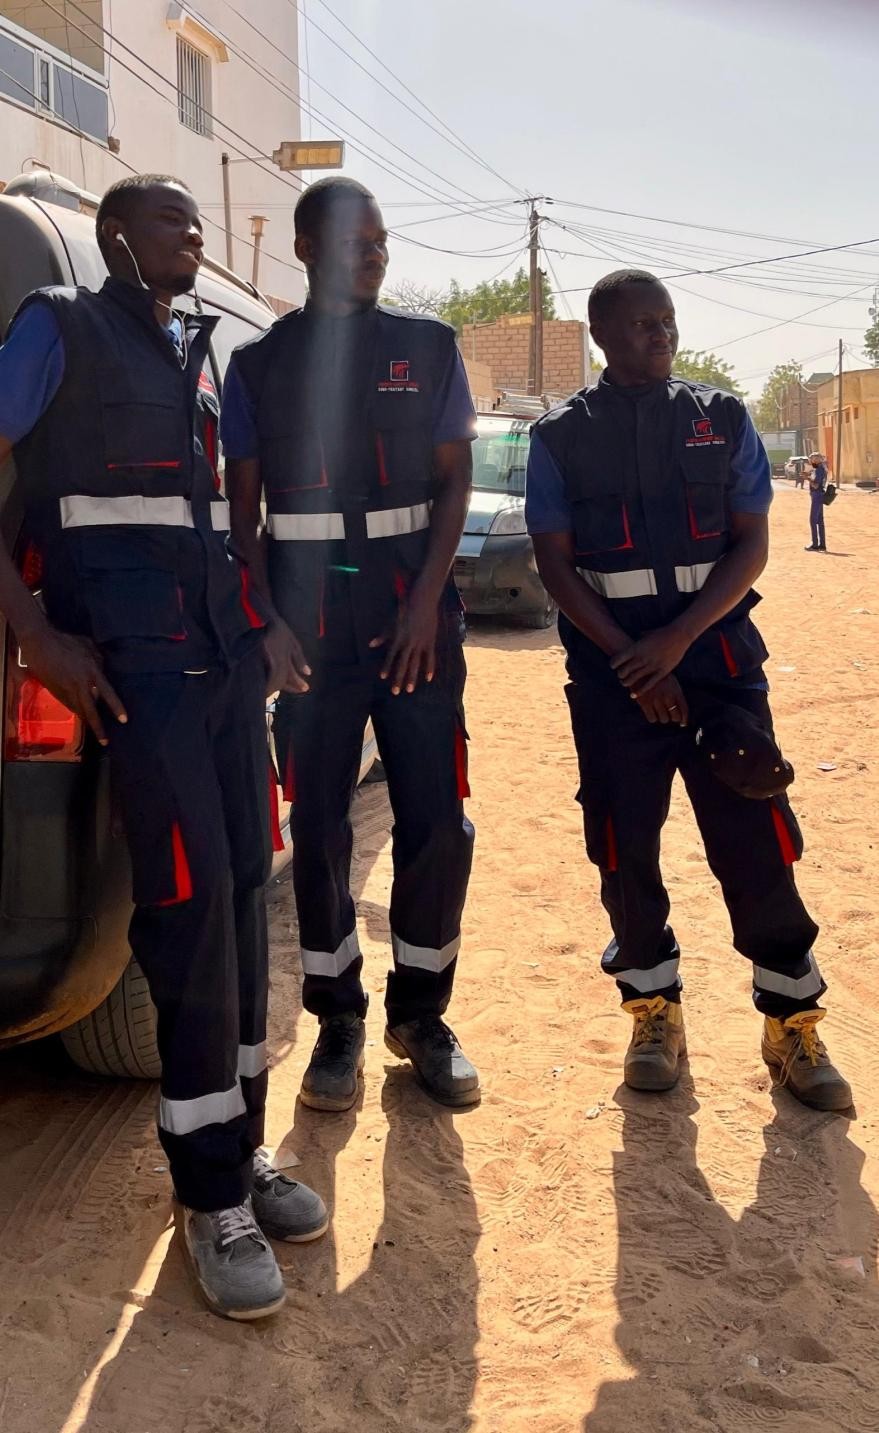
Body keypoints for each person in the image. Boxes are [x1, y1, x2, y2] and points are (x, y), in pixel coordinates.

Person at [0, 175, 328, 1320]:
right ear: (114, 237)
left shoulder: (193, 347)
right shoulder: (59, 326)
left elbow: (215, 519)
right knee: (186, 909)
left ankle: (240, 1147)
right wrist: (35, 632)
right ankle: (208, 1196)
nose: (191, 233)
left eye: (194, 220)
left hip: (224, 665)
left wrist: (265, 621)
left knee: (242, 897)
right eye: (167, 220)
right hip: (138, 673)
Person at [526, 268, 851, 1113]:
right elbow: (555, 564)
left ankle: (790, 1021)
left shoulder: (720, 418)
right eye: (641, 324)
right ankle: (652, 1011)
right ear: (602, 334)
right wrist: (633, 661)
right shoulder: (560, 436)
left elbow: (750, 545)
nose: (661, 335)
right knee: (622, 848)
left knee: (756, 838)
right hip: (614, 682)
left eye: (666, 320)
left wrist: (675, 643)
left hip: (718, 667)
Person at [223, 177, 480, 1112]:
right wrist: (267, 622)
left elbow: (454, 483)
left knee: (436, 821)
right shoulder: (259, 364)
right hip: (309, 626)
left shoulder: (428, 346)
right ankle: (337, 1019)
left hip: (413, 618)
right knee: (320, 825)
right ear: (304, 249)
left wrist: (426, 603)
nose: (373, 256)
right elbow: (243, 513)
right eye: (352, 242)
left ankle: (421, 1013)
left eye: (380, 241)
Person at [806, 451, 828, 551]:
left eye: (812, 459)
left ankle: (815, 544)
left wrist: (807, 479)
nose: (811, 460)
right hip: (819, 495)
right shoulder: (821, 468)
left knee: (813, 520)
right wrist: (808, 474)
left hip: (817, 495)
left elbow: (816, 485)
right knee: (820, 521)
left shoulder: (819, 470)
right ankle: (822, 544)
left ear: (817, 460)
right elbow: (813, 469)